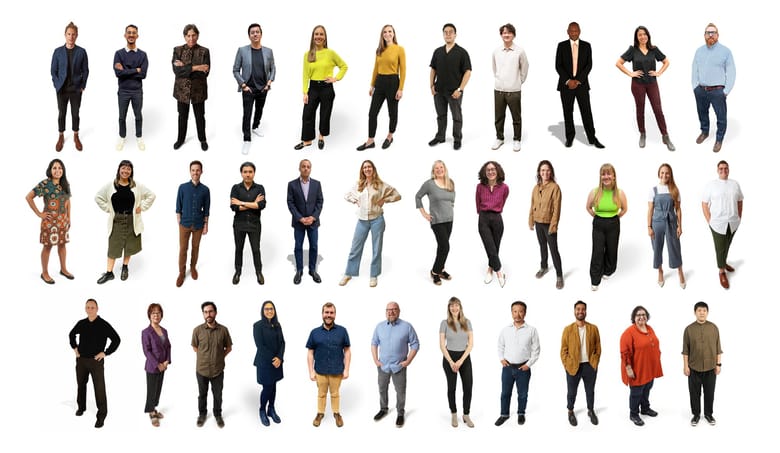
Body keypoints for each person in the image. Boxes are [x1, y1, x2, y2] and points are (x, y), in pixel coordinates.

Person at [339, 160, 401, 288]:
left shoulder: (381, 185)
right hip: (362, 220)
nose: (367, 169)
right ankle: (349, 273)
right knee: (355, 248)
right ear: (362, 170)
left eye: (369, 167)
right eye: (365, 167)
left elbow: (397, 195)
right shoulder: (359, 184)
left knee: (376, 249)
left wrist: (384, 199)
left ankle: (374, 275)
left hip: (377, 220)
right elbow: (347, 195)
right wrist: (355, 201)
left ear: (373, 169)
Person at [95, 160, 156, 284]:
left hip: (131, 219)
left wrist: (142, 207)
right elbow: (98, 197)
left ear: (131, 171)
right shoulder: (111, 185)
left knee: (129, 246)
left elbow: (151, 195)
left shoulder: (137, 185)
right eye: (123, 168)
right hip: (116, 220)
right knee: (113, 247)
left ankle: (125, 267)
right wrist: (108, 209)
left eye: (128, 169)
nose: (125, 171)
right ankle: (109, 273)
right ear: (119, 170)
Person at [615, 26, 674, 151]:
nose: (642, 37)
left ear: (648, 36)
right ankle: (642, 133)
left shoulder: (654, 49)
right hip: (638, 85)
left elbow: (666, 62)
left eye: (644, 34)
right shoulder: (632, 50)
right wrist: (630, 73)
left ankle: (665, 136)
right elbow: (618, 63)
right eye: (640, 35)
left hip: (652, 83)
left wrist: (659, 73)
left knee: (658, 109)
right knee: (640, 109)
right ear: (637, 37)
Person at [69, 298, 120, 428]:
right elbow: (71, 334)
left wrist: (105, 353)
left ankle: (101, 416)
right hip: (81, 360)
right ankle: (81, 407)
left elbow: (116, 339)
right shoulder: (81, 323)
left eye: (92, 307)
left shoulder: (103, 324)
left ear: (97, 309)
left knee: (99, 388)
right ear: (85, 309)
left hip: (96, 361)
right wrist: (75, 349)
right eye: (88, 307)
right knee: (81, 385)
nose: (90, 309)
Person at [294, 25, 347, 150]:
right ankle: (307, 140)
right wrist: (305, 92)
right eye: (316, 34)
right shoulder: (308, 54)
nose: (318, 36)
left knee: (325, 114)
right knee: (307, 114)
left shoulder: (330, 53)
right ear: (313, 37)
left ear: (325, 37)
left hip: (326, 88)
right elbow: (305, 75)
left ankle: (321, 137)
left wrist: (336, 78)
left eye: (321, 34)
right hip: (312, 88)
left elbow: (344, 66)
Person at [555, 22, 604, 148]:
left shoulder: (587, 46)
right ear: (567, 32)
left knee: (586, 111)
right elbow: (558, 65)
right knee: (568, 112)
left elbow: (589, 65)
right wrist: (568, 81)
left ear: (579, 31)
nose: (574, 33)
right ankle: (569, 138)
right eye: (571, 31)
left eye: (576, 31)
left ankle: (592, 138)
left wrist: (578, 81)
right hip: (566, 85)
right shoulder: (561, 46)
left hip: (582, 85)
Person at [357, 24, 405, 151]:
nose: (387, 34)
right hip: (380, 82)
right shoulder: (379, 50)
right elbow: (376, 68)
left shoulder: (399, 49)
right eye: (385, 32)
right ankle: (370, 140)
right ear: (382, 35)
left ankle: (390, 136)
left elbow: (403, 70)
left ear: (393, 34)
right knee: (372, 113)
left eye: (390, 31)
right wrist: (372, 85)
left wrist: (400, 88)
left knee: (392, 112)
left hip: (393, 82)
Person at [371, 302, 419, 427]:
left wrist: (408, 361)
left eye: (394, 309)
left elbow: (415, 344)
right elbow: (374, 343)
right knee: (382, 389)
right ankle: (383, 409)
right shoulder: (379, 327)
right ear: (385, 311)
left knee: (400, 391)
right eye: (388, 309)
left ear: (399, 311)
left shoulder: (407, 326)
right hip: (383, 366)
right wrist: (376, 360)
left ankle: (400, 413)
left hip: (399, 367)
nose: (391, 312)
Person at [26, 159, 73, 284]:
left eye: (60, 168)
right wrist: (39, 214)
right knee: (48, 246)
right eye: (55, 168)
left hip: (63, 221)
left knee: (62, 245)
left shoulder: (65, 184)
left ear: (63, 170)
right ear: (50, 170)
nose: (57, 170)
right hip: (49, 222)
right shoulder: (45, 184)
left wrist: (69, 218)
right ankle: (44, 272)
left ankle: (63, 269)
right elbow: (29, 197)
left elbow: (68, 201)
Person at [692, 23, 736, 153]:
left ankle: (719, 139)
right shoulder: (699, 51)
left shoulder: (725, 51)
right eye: (708, 32)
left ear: (718, 35)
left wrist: (726, 91)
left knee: (721, 117)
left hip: (718, 91)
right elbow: (694, 69)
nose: (710, 35)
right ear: (704, 35)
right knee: (702, 113)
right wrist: (695, 86)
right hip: (701, 90)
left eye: (713, 32)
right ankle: (704, 132)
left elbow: (731, 71)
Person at [306, 302, 351, 428]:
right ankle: (320, 413)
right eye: (326, 312)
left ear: (335, 314)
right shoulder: (314, 332)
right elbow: (310, 353)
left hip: (337, 370)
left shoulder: (342, 331)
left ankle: (336, 413)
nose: (329, 315)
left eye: (331, 313)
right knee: (321, 394)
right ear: (322, 314)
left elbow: (347, 351)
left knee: (335, 394)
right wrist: (311, 371)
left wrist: (347, 369)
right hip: (320, 370)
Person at [496, 301, 540, 426]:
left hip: (523, 368)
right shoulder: (505, 330)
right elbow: (500, 345)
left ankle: (521, 413)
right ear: (511, 313)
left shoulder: (532, 330)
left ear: (525, 313)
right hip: (507, 368)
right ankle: (504, 415)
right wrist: (501, 358)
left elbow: (536, 350)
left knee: (523, 394)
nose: (517, 314)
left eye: (520, 311)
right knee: (505, 393)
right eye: (515, 311)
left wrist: (528, 365)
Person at [428, 23, 472, 150]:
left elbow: (468, 72)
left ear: (455, 35)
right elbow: (433, 69)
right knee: (441, 115)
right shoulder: (438, 52)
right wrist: (431, 85)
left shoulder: (462, 52)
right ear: (443, 35)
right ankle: (440, 137)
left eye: (450, 32)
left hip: (454, 92)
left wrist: (460, 89)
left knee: (456, 117)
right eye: (445, 32)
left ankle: (457, 139)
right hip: (439, 91)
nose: (448, 34)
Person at [233, 23, 275, 152]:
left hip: (263, 88)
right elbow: (235, 70)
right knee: (247, 114)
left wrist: (269, 83)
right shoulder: (242, 50)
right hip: (248, 88)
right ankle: (247, 139)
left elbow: (273, 68)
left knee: (259, 110)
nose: (255, 34)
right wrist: (243, 85)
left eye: (257, 32)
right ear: (249, 35)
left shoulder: (268, 51)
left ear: (261, 34)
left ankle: (255, 127)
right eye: (252, 32)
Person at [701, 160, 743, 289]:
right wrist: (709, 220)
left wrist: (739, 217)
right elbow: (704, 203)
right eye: (721, 168)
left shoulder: (735, 184)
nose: (723, 170)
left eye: (726, 168)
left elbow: (740, 201)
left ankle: (723, 263)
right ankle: (721, 271)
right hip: (718, 224)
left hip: (733, 222)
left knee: (727, 245)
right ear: (717, 170)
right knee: (720, 248)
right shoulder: (711, 185)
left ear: (728, 170)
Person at [586, 163, 627, 291]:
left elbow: (624, 209)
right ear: (600, 177)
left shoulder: (619, 193)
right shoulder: (594, 192)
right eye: (603, 174)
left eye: (609, 174)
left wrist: (614, 218)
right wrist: (598, 217)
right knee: (597, 252)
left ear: (614, 176)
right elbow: (588, 207)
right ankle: (595, 279)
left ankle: (608, 271)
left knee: (611, 250)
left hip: (613, 224)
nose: (606, 176)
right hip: (598, 224)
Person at [620, 305, 663, 426]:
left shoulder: (649, 328)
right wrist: (628, 368)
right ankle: (633, 414)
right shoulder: (629, 332)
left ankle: (645, 408)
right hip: (637, 368)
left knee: (647, 388)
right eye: (638, 315)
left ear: (647, 316)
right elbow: (624, 352)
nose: (641, 317)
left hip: (649, 368)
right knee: (636, 392)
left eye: (643, 314)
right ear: (634, 317)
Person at [560, 301, 601, 426]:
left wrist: (595, 362)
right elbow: (563, 350)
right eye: (578, 309)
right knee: (571, 392)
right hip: (573, 366)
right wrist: (567, 365)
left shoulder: (593, 328)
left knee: (590, 391)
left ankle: (590, 410)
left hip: (590, 366)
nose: (580, 311)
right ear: (574, 311)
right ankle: (570, 411)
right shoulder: (568, 329)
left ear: (586, 311)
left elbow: (598, 347)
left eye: (583, 309)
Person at [192, 301, 232, 428]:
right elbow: (195, 347)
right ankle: (202, 414)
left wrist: (219, 357)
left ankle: (218, 415)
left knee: (218, 395)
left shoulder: (223, 330)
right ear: (203, 314)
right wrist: (204, 357)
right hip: (202, 370)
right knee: (202, 395)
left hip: (217, 370)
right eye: (205, 312)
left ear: (215, 313)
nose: (208, 314)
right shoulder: (197, 330)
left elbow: (229, 348)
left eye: (210, 311)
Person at [415, 160, 455, 285]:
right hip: (437, 220)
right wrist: (424, 213)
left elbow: (452, 200)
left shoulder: (450, 182)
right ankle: (435, 271)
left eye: (441, 167)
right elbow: (418, 196)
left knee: (442, 247)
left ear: (445, 169)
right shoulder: (429, 184)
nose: (439, 170)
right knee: (445, 246)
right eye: (436, 168)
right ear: (433, 171)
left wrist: (449, 209)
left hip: (449, 220)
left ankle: (441, 269)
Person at [682, 301, 722, 426]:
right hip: (693, 368)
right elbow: (685, 350)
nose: (702, 313)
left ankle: (709, 414)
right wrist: (685, 366)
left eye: (704, 310)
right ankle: (696, 415)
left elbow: (718, 348)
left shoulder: (714, 328)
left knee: (709, 393)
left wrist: (718, 364)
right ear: (695, 312)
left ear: (707, 312)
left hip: (711, 367)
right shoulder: (689, 329)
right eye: (699, 310)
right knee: (694, 393)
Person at [51, 21, 89, 152]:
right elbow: (53, 71)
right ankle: (61, 136)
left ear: (76, 35)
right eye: (69, 34)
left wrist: (83, 85)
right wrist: (57, 85)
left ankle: (76, 135)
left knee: (75, 114)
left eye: (73, 34)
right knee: (61, 113)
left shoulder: (82, 52)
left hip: (76, 89)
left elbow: (86, 70)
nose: (71, 37)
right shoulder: (57, 52)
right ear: (65, 35)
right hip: (62, 89)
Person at [172, 24, 210, 151]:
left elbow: (205, 73)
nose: (191, 38)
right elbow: (177, 71)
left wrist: (185, 67)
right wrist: (197, 67)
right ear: (184, 36)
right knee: (182, 116)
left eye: (193, 35)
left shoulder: (204, 51)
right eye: (188, 36)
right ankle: (180, 139)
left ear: (197, 36)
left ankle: (203, 139)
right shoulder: (177, 50)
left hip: (198, 90)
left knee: (200, 116)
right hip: (181, 91)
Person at [491, 23, 528, 152]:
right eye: (504, 33)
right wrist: (499, 79)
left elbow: (525, 67)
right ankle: (499, 138)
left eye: (509, 32)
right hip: (499, 90)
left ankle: (517, 139)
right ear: (501, 35)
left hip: (514, 91)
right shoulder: (496, 51)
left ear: (514, 35)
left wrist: (519, 81)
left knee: (516, 117)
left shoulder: (519, 51)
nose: (506, 35)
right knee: (499, 117)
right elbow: (494, 68)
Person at [648, 163, 685, 288]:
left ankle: (680, 271)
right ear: (659, 174)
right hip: (657, 222)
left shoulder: (674, 190)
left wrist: (680, 226)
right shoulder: (653, 190)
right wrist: (649, 227)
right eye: (662, 172)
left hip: (671, 222)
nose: (664, 175)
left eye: (667, 173)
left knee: (675, 247)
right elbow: (650, 209)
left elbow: (678, 209)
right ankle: (660, 271)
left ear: (670, 175)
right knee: (657, 248)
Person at [287, 159, 323, 285]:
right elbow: (290, 203)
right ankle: (299, 270)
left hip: (313, 222)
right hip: (299, 222)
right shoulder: (292, 184)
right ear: (299, 168)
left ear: (310, 169)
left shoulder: (316, 184)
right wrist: (300, 218)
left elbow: (320, 201)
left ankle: (312, 270)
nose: (306, 168)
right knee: (298, 246)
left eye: (308, 166)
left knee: (313, 246)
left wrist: (313, 217)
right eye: (303, 166)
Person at [528, 160, 563, 289]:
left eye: (548, 170)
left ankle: (559, 275)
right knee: (542, 246)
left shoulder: (555, 187)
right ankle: (544, 267)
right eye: (543, 170)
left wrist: (554, 225)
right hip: (538, 222)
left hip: (549, 224)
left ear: (551, 172)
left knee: (553, 250)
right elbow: (532, 204)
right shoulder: (536, 188)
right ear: (539, 172)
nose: (545, 173)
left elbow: (557, 208)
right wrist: (531, 219)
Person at [439, 297, 474, 428]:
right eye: (452, 306)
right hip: (449, 357)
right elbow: (442, 345)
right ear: (449, 308)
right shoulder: (444, 323)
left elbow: (471, 344)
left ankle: (466, 415)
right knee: (452, 387)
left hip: (464, 357)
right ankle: (453, 414)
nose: (454, 308)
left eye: (456, 305)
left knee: (468, 387)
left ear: (460, 307)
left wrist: (460, 361)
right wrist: (451, 361)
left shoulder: (467, 322)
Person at [230, 161, 266, 285]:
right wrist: (253, 203)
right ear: (241, 173)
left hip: (254, 225)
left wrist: (242, 203)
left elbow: (261, 205)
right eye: (245, 172)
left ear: (254, 173)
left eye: (250, 172)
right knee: (238, 249)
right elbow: (234, 207)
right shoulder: (235, 188)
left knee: (256, 249)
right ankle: (237, 272)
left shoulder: (260, 188)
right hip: (239, 224)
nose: (248, 174)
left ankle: (259, 272)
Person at [114, 24, 148, 151]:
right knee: (122, 116)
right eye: (129, 32)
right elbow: (118, 73)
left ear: (137, 36)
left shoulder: (143, 55)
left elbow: (143, 74)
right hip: (123, 91)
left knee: (138, 115)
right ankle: (122, 137)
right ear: (125, 35)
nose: (131, 35)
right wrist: (135, 70)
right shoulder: (118, 54)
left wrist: (126, 70)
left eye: (134, 33)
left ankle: (139, 137)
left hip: (137, 91)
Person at [175, 160, 210, 287]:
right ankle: (181, 273)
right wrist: (179, 221)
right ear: (190, 171)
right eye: (193, 170)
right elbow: (178, 206)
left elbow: (206, 209)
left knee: (195, 247)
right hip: (184, 224)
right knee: (183, 249)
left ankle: (193, 267)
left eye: (197, 170)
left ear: (201, 171)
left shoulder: (205, 190)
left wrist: (206, 225)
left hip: (199, 225)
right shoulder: (182, 187)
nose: (195, 172)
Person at [476, 161, 509, 287]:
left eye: (493, 169)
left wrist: (495, 210)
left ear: (497, 171)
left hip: (497, 219)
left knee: (495, 248)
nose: (491, 172)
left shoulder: (504, 188)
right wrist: (483, 214)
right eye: (488, 170)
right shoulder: (480, 187)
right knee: (489, 246)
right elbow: (477, 203)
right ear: (484, 172)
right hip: (483, 219)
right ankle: (499, 272)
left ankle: (490, 269)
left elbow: (503, 202)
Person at [253, 301, 285, 426]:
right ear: (263, 311)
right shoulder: (258, 326)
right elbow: (260, 346)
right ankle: (262, 410)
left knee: (274, 385)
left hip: (277, 362)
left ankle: (271, 409)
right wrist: (274, 359)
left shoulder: (277, 325)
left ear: (274, 310)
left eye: (271, 309)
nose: (269, 311)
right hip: (265, 362)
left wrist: (279, 358)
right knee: (267, 387)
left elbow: (282, 342)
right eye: (266, 309)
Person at [141, 303, 171, 427]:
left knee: (158, 389)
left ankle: (154, 408)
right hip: (152, 366)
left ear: (161, 315)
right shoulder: (146, 332)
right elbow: (146, 351)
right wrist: (157, 364)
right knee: (151, 390)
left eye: (158, 313)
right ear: (149, 315)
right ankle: (151, 412)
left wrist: (167, 360)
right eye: (153, 313)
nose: (156, 315)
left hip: (163, 366)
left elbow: (168, 346)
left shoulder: (164, 331)